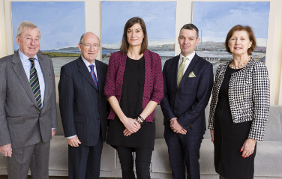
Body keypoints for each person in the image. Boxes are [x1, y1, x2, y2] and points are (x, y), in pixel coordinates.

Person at [0, 21, 58, 179]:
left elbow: (50, 96)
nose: (33, 43)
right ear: (18, 39)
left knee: (42, 176)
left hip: (43, 133)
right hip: (17, 137)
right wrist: (3, 140)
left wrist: (53, 124)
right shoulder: (2, 66)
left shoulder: (47, 62)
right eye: (28, 38)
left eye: (37, 38)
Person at [104, 17, 164, 179]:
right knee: (126, 171)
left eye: (137, 31)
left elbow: (158, 93)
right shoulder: (116, 58)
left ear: (143, 34)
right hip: (119, 122)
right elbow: (109, 91)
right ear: (125, 35)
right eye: (129, 31)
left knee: (143, 171)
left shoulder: (154, 59)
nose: (133, 35)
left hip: (144, 124)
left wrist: (138, 121)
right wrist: (125, 120)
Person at [208, 25, 270, 179]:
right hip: (222, 130)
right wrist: (212, 126)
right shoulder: (222, 69)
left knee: (240, 173)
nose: (237, 42)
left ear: (250, 43)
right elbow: (215, 100)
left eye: (243, 39)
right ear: (228, 43)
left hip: (242, 132)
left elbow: (262, 108)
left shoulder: (257, 68)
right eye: (234, 38)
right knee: (223, 171)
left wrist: (252, 139)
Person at [161, 23, 213, 179]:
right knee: (175, 169)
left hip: (192, 128)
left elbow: (202, 101)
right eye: (183, 37)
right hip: (171, 126)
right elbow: (162, 95)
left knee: (192, 167)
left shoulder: (205, 67)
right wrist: (172, 120)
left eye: (190, 38)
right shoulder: (169, 64)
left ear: (197, 41)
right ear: (178, 39)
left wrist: (181, 123)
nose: (186, 42)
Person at [59, 32, 108, 179]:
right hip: (79, 134)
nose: (91, 49)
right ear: (80, 47)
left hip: (99, 132)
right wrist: (70, 134)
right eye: (87, 45)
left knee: (94, 173)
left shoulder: (104, 68)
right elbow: (65, 105)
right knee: (78, 173)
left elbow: (107, 100)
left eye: (95, 45)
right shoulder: (69, 70)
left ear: (99, 47)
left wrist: (107, 126)